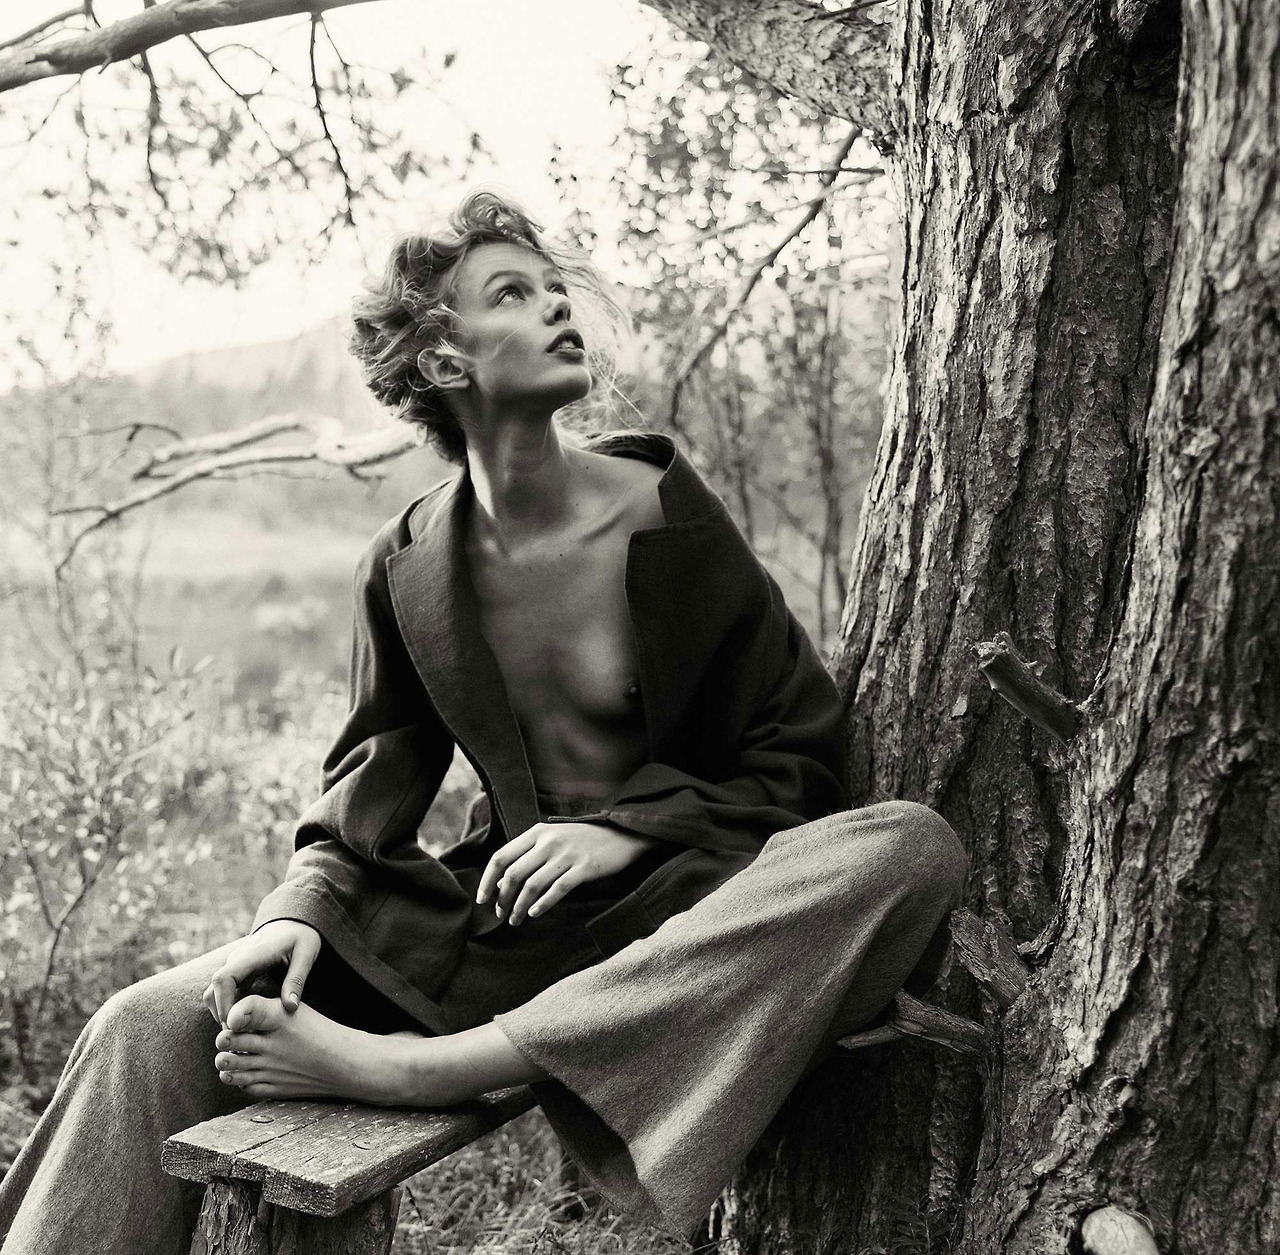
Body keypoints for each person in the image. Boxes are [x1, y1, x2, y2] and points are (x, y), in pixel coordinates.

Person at [0, 190, 967, 1254]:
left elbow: (798, 758)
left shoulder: (667, 514)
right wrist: (294, 915)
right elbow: (370, 786)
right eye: (513, 294)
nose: (558, 308)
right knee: (144, 1024)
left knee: (909, 847)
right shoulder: (407, 563)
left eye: (556, 289)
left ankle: (427, 1069)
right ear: (444, 359)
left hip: (679, 924)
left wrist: (623, 828)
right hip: (498, 933)